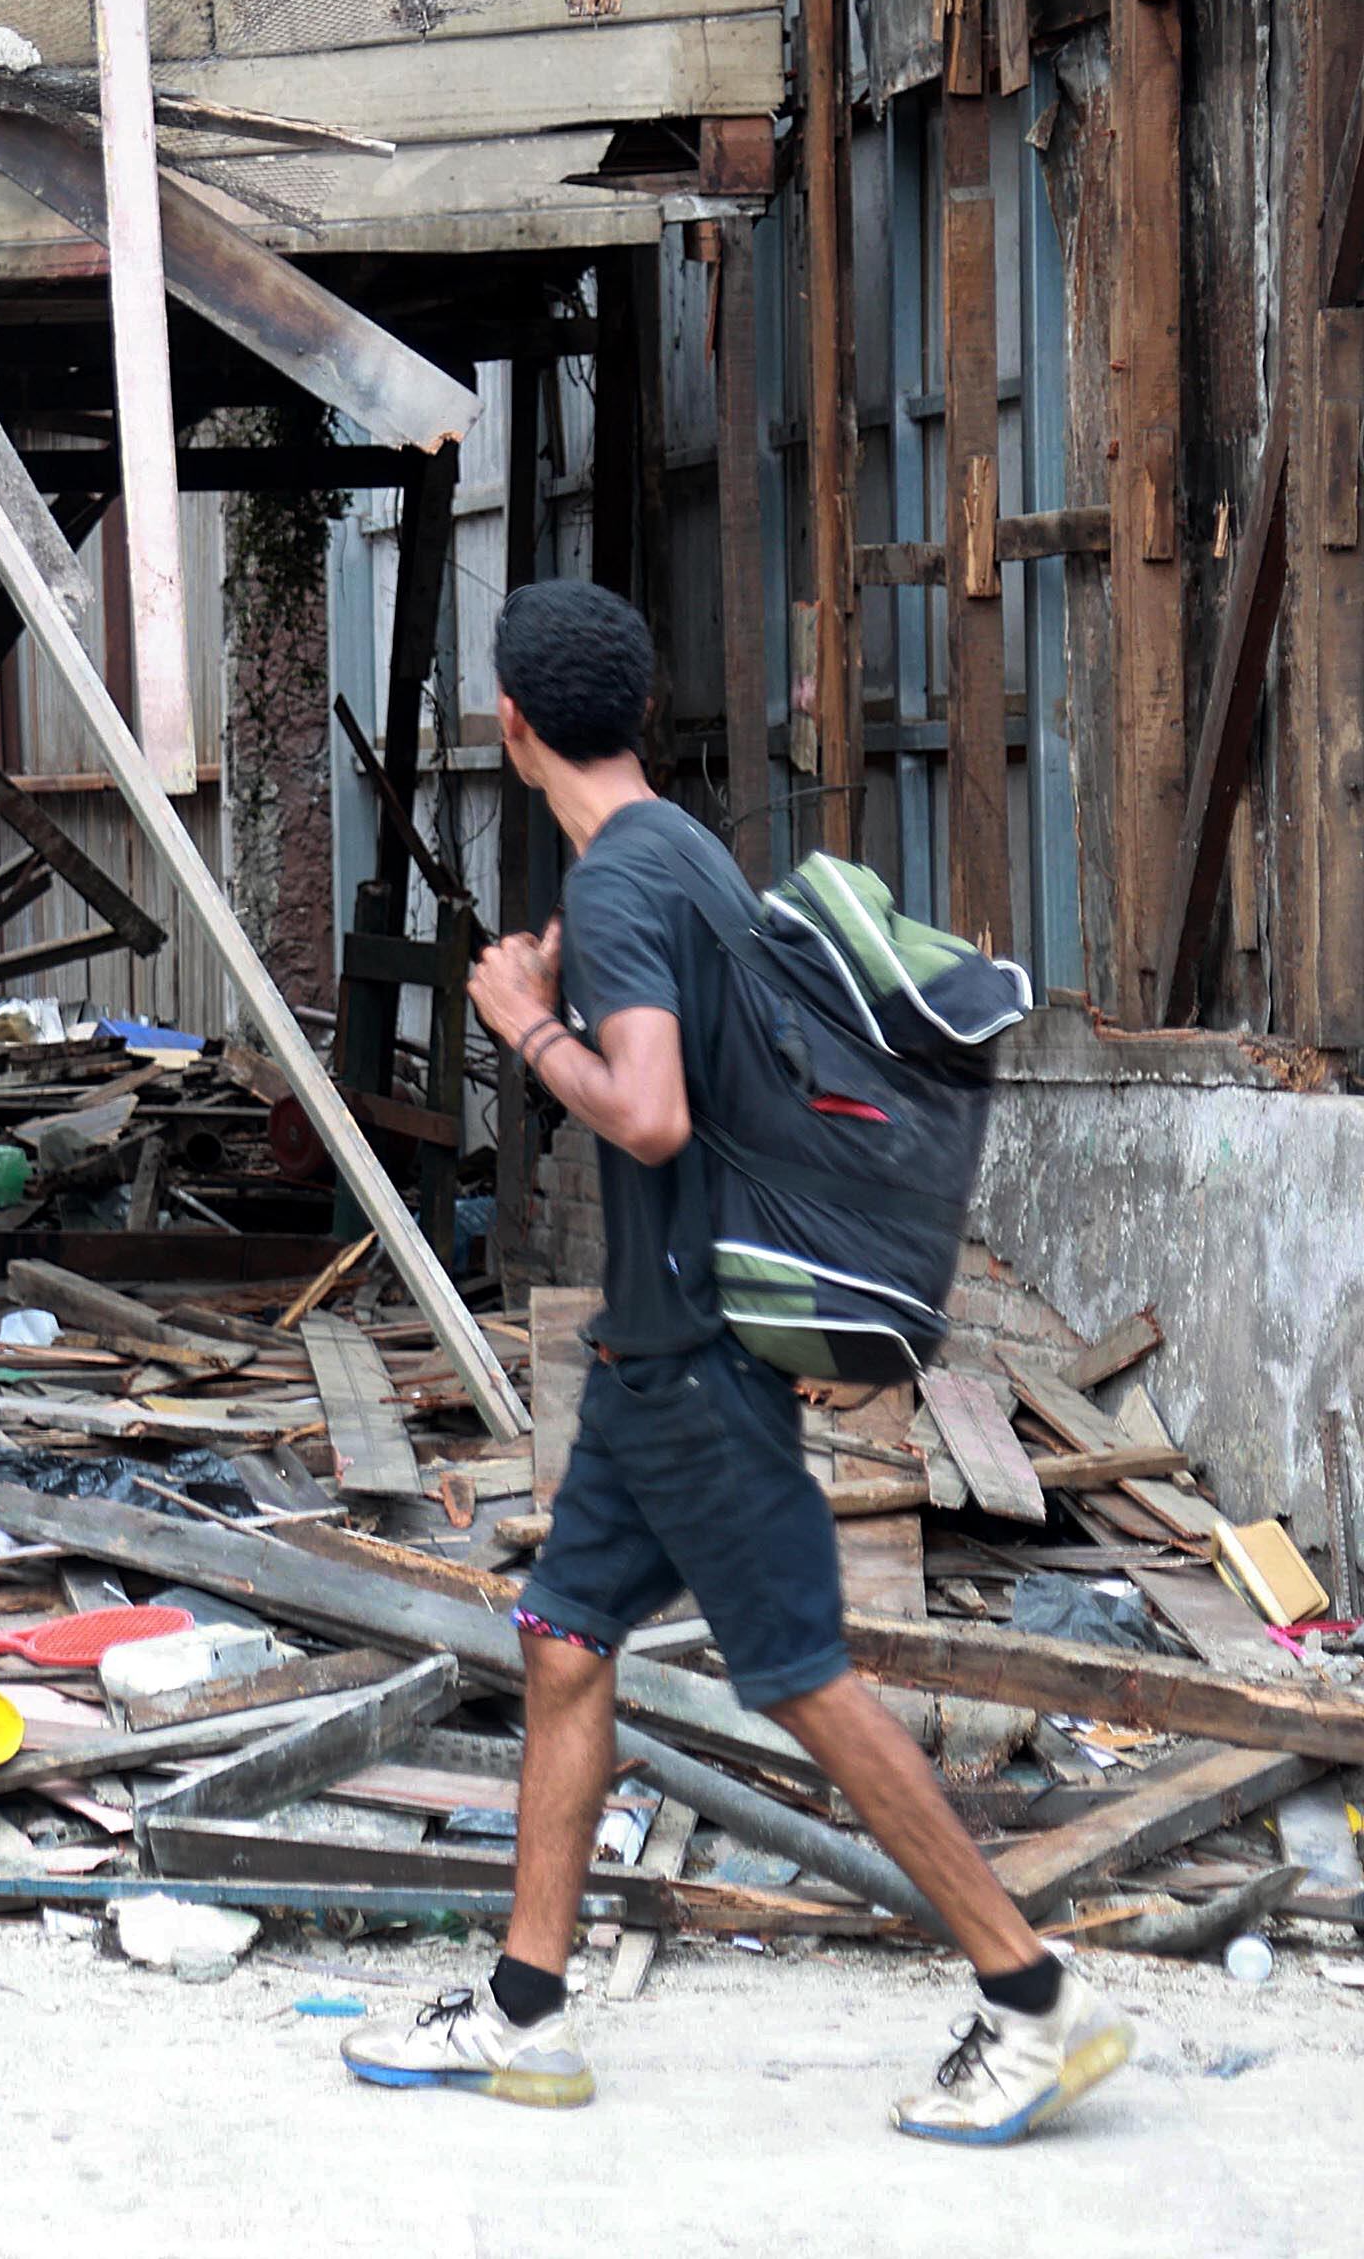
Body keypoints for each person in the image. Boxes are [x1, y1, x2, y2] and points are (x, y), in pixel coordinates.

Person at [341, 580, 1129, 2146]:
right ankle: (522, 2012)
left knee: (805, 1678)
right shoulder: (679, 846)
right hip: (651, 1359)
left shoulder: (626, 887)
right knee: (566, 1646)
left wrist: (522, 1021)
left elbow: (649, 1112)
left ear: (510, 723)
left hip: (695, 1359)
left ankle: (1035, 1997)